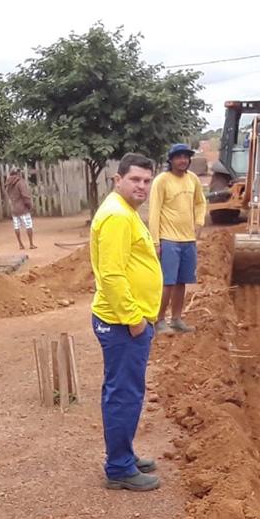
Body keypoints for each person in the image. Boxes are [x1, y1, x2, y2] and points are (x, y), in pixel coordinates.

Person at [89, 154, 163, 492]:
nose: (142, 186)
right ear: (117, 179)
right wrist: (135, 320)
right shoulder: (118, 216)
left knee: (124, 391)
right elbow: (112, 275)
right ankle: (119, 467)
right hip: (122, 323)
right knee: (124, 394)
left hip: (126, 320)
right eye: (135, 179)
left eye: (147, 181)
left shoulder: (124, 212)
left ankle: (124, 455)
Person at [149, 143, 207, 334]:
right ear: (171, 160)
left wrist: (199, 223)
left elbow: (200, 202)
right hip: (169, 239)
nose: (183, 160)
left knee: (182, 281)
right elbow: (154, 211)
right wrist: (155, 242)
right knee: (168, 282)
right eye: (178, 157)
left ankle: (176, 319)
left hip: (188, 240)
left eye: (186, 157)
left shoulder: (193, 180)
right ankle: (159, 320)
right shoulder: (162, 181)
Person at [6, 167, 36, 250]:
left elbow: (9, 195)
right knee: (28, 225)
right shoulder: (20, 182)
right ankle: (31, 244)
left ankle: (20, 244)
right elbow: (25, 195)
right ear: (18, 173)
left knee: (16, 227)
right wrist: (29, 205)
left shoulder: (8, 184)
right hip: (22, 208)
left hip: (14, 208)